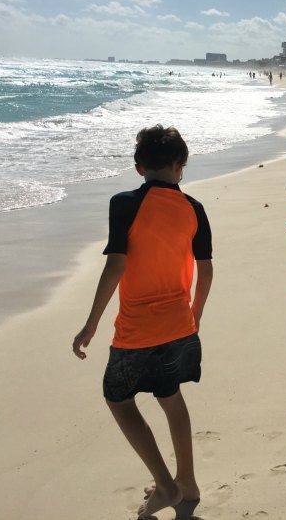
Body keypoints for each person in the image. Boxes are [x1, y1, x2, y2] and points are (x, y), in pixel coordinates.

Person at [72, 125, 213, 520]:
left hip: (136, 328)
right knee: (170, 397)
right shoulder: (194, 208)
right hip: (179, 324)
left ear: (138, 168)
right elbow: (206, 270)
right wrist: (195, 314)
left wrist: (91, 323)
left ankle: (166, 485)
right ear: (180, 166)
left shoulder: (124, 203)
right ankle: (188, 482)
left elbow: (116, 263)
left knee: (118, 398)